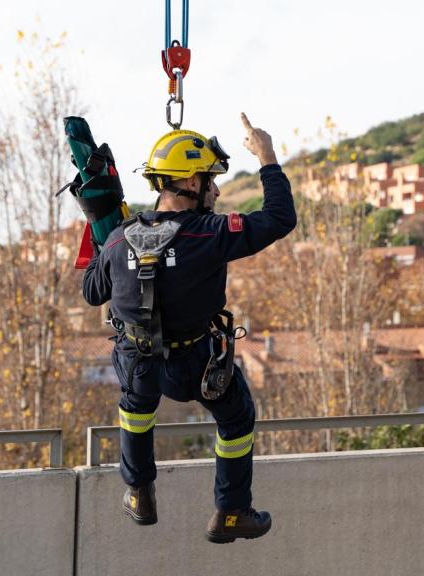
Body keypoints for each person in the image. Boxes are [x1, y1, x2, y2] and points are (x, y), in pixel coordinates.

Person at [82, 113, 296, 543]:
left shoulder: (119, 239)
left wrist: (100, 227)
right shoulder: (210, 233)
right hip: (197, 362)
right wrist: (267, 156)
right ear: (189, 184)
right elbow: (279, 218)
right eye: (209, 180)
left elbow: (92, 291)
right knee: (236, 418)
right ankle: (231, 512)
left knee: (136, 411)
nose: (216, 189)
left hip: (137, 363)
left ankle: (139, 492)